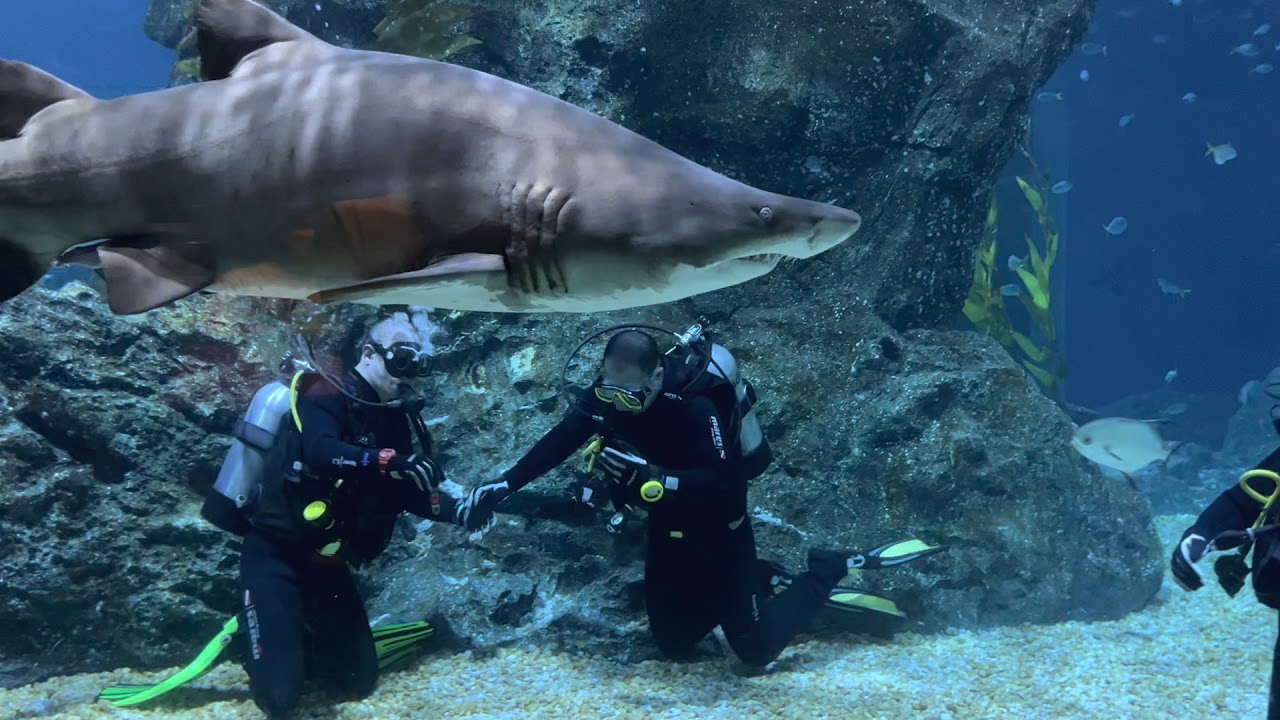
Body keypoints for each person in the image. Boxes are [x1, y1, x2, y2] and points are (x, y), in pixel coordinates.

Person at [457, 328, 942, 667]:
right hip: (669, 536)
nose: (616, 405)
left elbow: (727, 483)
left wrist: (657, 477)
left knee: (752, 653)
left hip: (722, 535)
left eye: (630, 396)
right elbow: (564, 435)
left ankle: (822, 571)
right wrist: (506, 483)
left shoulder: (696, 406)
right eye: (609, 392)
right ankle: (763, 582)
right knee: (673, 643)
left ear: (654, 379)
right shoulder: (608, 392)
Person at [223, 310, 492, 717]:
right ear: (369, 353)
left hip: (327, 564)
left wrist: (460, 512)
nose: (409, 372)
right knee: (279, 699)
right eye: (401, 357)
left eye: (417, 362)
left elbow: (402, 493)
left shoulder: (394, 417)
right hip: (275, 553)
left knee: (357, 681)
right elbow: (320, 450)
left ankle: (300, 638)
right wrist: (387, 460)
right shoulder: (323, 390)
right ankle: (256, 630)